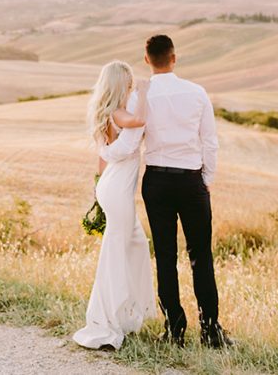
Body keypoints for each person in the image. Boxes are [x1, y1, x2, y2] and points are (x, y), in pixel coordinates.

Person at [101, 34, 232, 348]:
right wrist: (206, 179)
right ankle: (211, 330)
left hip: (157, 182)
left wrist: (104, 152)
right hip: (191, 181)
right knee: (201, 255)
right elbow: (210, 141)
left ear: (147, 60)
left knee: (165, 256)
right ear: (175, 57)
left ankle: (174, 330)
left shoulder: (138, 99)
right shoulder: (197, 93)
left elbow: (131, 143)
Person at [72, 61, 156, 350]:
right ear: (122, 85)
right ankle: (106, 321)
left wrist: (97, 187)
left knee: (133, 244)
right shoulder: (119, 113)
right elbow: (140, 120)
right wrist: (144, 93)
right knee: (117, 250)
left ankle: (123, 313)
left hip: (111, 184)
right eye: (130, 85)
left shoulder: (105, 113)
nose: (133, 88)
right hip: (118, 189)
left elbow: (101, 157)